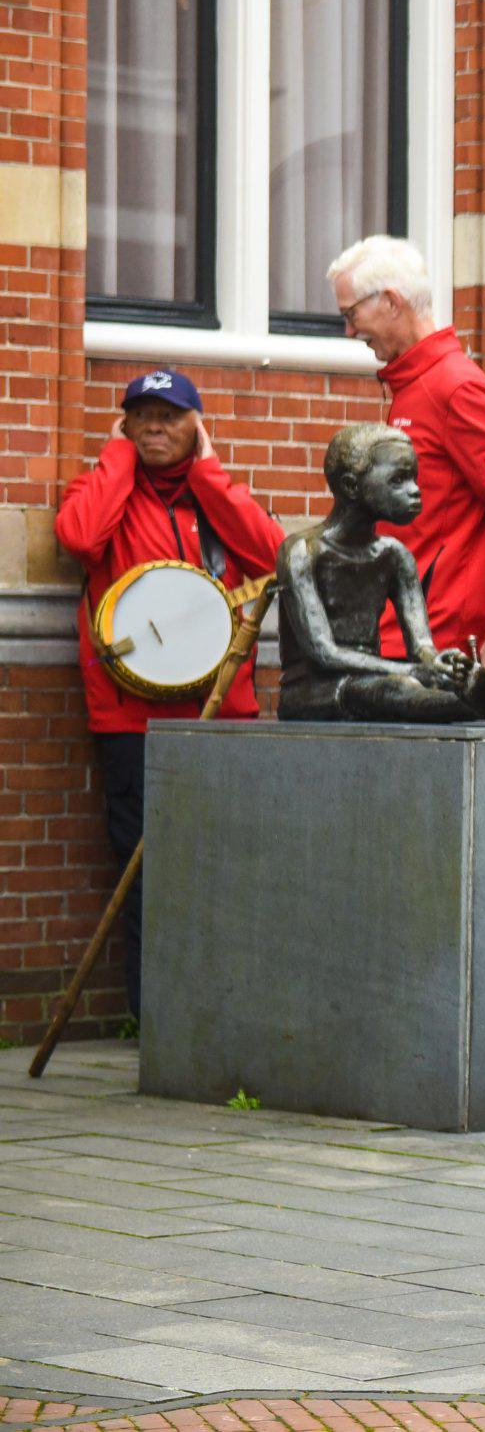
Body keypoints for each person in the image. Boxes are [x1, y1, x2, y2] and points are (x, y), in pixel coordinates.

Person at [56, 369, 284, 1019]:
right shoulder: (101, 490)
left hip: (220, 720)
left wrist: (209, 476)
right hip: (133, 724)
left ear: (197, 425)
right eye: (142, 415)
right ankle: (155, 1022)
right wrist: (116, 458)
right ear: (124, 424)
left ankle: (223, 1016)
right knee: (146, 876)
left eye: (171, 414)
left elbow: (278, 559)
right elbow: (79, 538)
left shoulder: (221, 498)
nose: (155, 426)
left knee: (226, 869)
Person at [333, 236, 485, 677]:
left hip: (440, 654)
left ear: (391, 302)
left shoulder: (455, 388)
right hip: (406, 642)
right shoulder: (416, 385)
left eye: (351, 314)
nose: (349, 330)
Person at [275, 425, 485, 723]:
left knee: (416, 685)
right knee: (395, 688)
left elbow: (421, 647)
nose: (415, 490)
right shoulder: (302, 552)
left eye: (414, 478)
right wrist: (412, 670)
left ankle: (483, 699)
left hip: (370, 679)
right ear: (351, 486)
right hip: (313, 692)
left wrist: (437, 662)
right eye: (398, 480)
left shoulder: (395, 555)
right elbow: (324, 652)